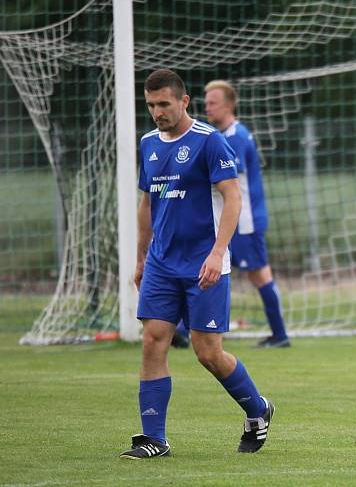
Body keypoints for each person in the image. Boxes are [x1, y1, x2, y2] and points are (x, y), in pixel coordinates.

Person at [120, 69, 274, 459]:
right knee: (154, 339)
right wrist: (140, 257)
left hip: (204, 264)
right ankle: (154, 437)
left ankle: (258, 410)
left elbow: (232, 197)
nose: (157, 112)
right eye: (151, 105)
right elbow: (147, 204)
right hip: (161, 263)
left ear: (183, 101)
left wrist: (218, 252)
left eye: (164, 104)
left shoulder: (210, 142)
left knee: (208, 353)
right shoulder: (149, 143)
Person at [204, 79, 290, 348]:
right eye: (205, 103)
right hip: (236, 219)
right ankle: (185, 330)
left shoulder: (236, 137)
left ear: (229, 105)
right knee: (210, 266)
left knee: (259, 274)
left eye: (213, 103)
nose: (207, 108)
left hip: (244, 220)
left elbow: (227, 180)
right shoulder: (227, 135)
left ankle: (279, 335)